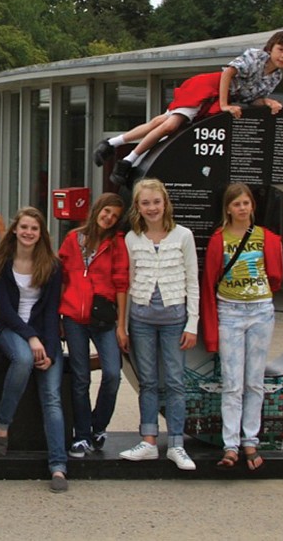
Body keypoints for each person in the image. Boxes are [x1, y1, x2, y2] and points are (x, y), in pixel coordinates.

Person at [96, 30, 283, 186]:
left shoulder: (276, 76)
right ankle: (127, 161)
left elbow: (253, 99)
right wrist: (224, 105)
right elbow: (228, 73)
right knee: (171, 125)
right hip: (208, 88)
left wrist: (267, 102)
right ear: (271, 47)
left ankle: (111, 143)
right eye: (281, 50)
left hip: (221, 98)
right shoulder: (256, 56)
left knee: (160, 122)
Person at [0, 208, 69, 493]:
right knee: (21, 359)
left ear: (40, 233)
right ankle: (2, 422)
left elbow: (50, 314)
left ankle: (58, 467)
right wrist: (31, 339)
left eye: (34, 228)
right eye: (24, 227)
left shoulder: (52, 266)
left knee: (52, 397)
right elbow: (6, 312)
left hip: (44, 336)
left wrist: (49, 350)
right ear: (15, 230)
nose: (28, 233)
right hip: (11, 331)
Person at [118, 178, 199, 471]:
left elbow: (193, 280)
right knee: (148, 382)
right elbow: (126, 283)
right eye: (145, 203)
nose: (152, 208)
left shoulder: (183, 236)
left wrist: (193, 324)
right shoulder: (132, 239)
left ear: (165, 203)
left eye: (156, 202)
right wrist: (123, 326)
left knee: (175, 381)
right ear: (138, 207)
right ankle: (149, 440)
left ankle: (176, 443)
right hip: (141, 320)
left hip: (175, 320)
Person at [200, 184, 282, 472]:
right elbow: (210, 279)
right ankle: (231, 444)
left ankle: (251, 439)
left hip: (260, 310)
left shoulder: (267, 238)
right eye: (237, 204)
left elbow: (275, 276)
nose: (242, 208)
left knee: (254, 380)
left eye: (246, 203)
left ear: (252, 206)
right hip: (230, 311)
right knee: (232, 382)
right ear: (228, 209)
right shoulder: (219, 240)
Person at [57, 192, 128, 458]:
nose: (109, 218)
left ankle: (99, 425)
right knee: (81, 378)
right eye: (106, 211)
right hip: (74, 316)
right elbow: (62, 278)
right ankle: (82, 435)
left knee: (112, 373)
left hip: (104, 318)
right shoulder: (74, 238)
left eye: (115, 216)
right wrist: (57, 316)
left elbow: (122, 283)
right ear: (98, 209)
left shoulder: (117, 243)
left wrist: (121, 325)